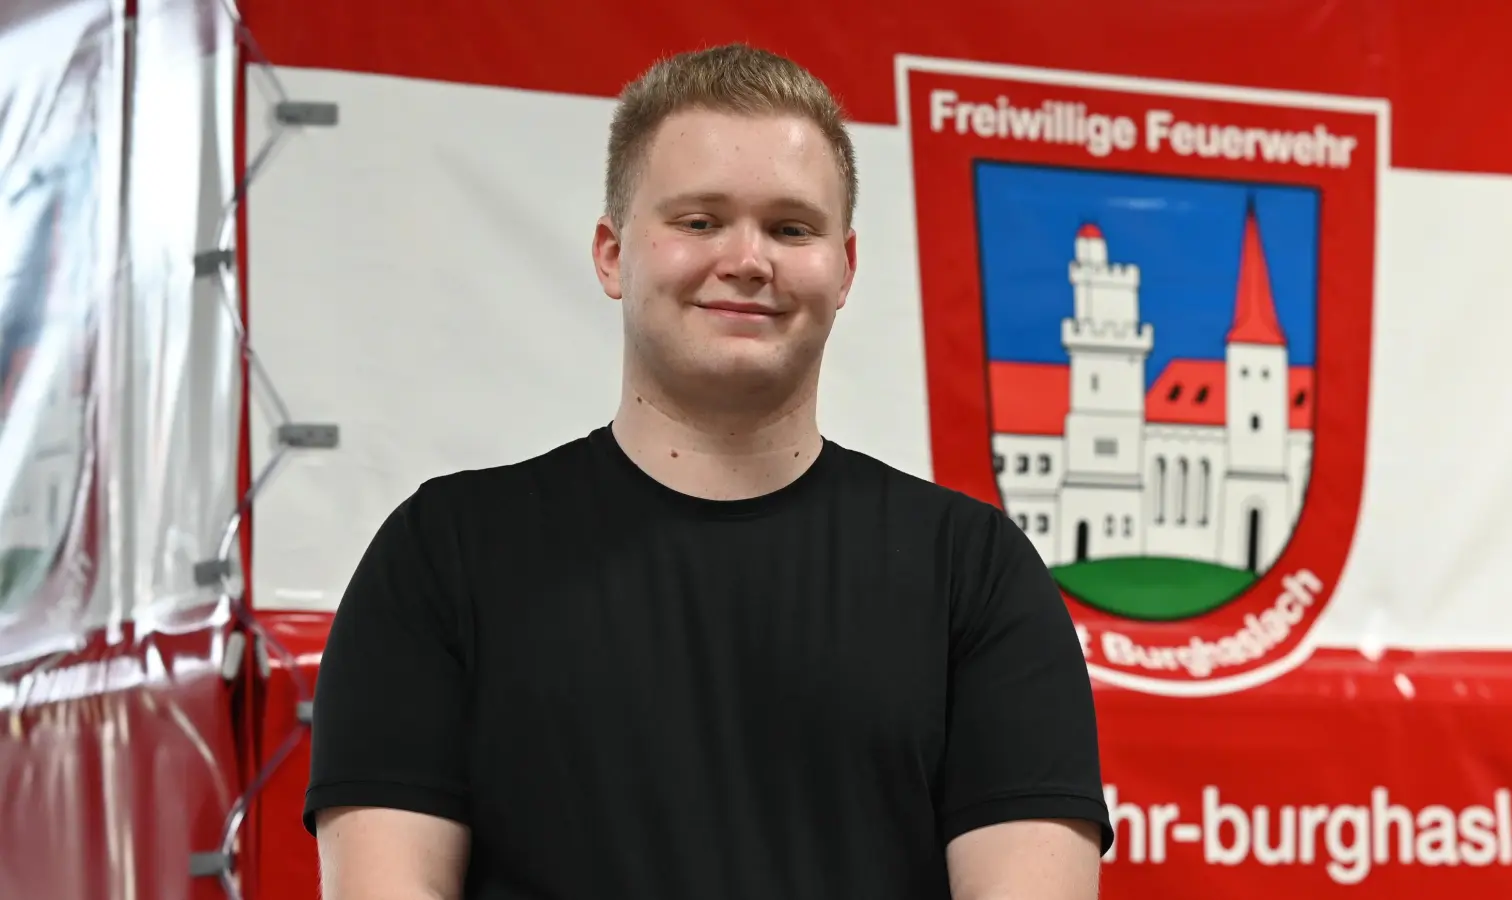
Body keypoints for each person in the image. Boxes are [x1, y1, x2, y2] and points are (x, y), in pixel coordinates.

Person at [303, 43, 1113, 900]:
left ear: (844, 268)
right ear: (614, 255)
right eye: (698, 221)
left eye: (790, 228)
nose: (747, 259)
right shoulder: (442, 555)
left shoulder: (972, 572)